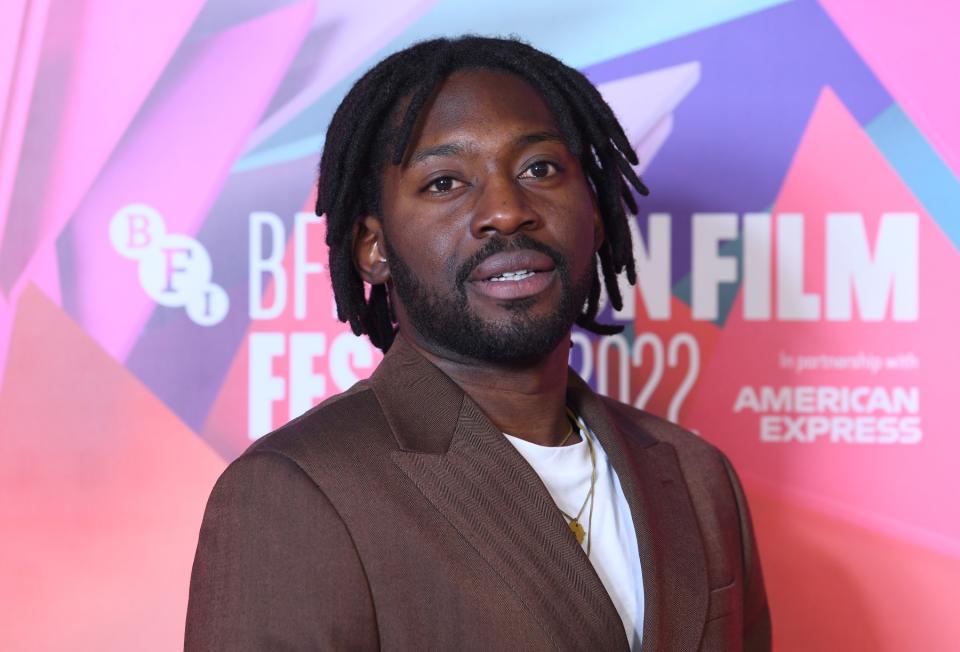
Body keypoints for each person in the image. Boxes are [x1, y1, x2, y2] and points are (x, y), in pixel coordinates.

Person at [185, 35, 771, 650]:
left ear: (596, 215)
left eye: (539, 169)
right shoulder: (296, 491)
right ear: (373, 248)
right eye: (444, 182)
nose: (507, 210)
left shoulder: (700, 477)